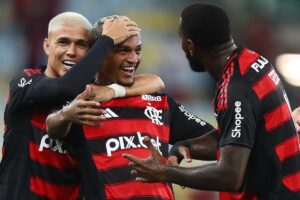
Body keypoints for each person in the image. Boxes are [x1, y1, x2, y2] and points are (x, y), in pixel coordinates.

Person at [123, 3, 300, 200]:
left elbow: (231, 175)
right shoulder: (252, 62)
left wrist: (164, 173)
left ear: (190, 46)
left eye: (182, 40)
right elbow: (237, 138)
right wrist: (187, 146)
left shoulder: (235, 89)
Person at [46, 15, 217, 200]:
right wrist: (65, 116)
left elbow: (220, 142)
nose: (133, 59)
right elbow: (53, 127)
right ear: (99, 54)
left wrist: (183, 148)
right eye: (123, 50)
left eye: (138, 50)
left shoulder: (159, 103)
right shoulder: (82, 101)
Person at [0, 12, 164, 199]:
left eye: (81, 44)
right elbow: (64, 88)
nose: (72, 51)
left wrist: (112, 91)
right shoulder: (26, 82)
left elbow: (155, 82)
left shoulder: (91, 93)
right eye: (63, 42)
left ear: (90, 51)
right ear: (47, 46)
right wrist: (108, 39)